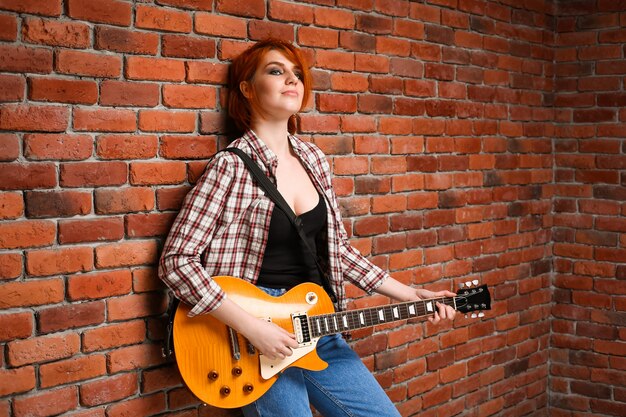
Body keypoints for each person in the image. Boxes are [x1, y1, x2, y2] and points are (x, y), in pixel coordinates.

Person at [158, 38, 456, 417]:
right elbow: (176, 261)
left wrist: (411, 294)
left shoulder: (314, 159)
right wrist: (253, 328)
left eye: (297, 74)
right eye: (276, 71)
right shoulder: (231, 167)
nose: (291, 80)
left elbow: (340, 251)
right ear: (247, 89)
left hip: (318, 320)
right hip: (254, 335)